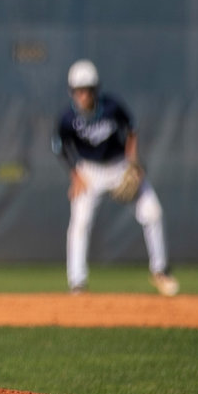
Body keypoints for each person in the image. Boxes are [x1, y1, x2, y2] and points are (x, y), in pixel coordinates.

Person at [51, 59, 179, 296]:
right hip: (89, 170)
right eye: (78, 90)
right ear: (72, 92)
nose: (83, 94)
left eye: (87, 89)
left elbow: (132, 128)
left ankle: (160, 270)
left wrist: (133, 160)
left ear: (95, 89)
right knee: (80, 223)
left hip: (120, 165)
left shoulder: (112, 107)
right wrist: (75, 174)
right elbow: (59, 147)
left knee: (153, 212)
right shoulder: (67, 118)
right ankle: (77, 282)